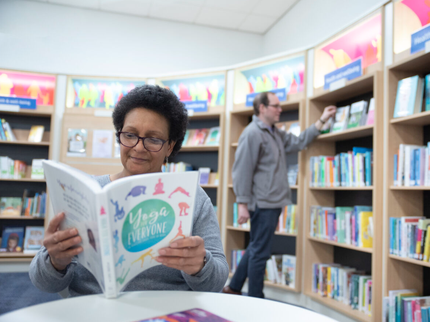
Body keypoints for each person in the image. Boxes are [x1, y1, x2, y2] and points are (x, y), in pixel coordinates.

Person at [29, 85, 229, 296]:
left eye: (153, 139)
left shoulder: (192, 198)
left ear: (170, 146)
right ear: (119, 136)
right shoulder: (87, 193)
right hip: (91, 311)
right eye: (130, 135)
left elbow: (216, 282)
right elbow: (43, 283)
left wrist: (200, 265)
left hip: (166, 313)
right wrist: (55, 261)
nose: (138, 147)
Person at [223, 91, 336, 298]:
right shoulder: (252, 133)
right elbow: (242, 170)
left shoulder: (274, 132)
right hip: (263, 203)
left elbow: (299, 142)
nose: (280, 109)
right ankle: (256, 300)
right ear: (262, 108)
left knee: (256, 246)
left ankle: (234, 287)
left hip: (272, 201)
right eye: (276, 106)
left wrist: (321, 121)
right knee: (260, 253)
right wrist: (242, 203)